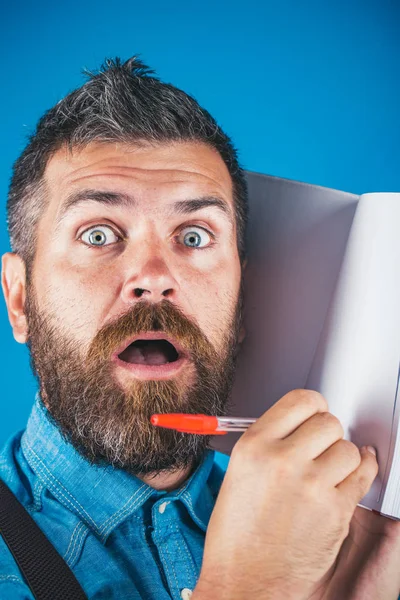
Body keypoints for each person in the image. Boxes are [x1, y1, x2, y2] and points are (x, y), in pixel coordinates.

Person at [0, 56, 399, 600]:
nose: (154, 278)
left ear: (241, 305)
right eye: (97, 234)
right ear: (20, 299)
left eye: (193, 237)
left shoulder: (321, 527)